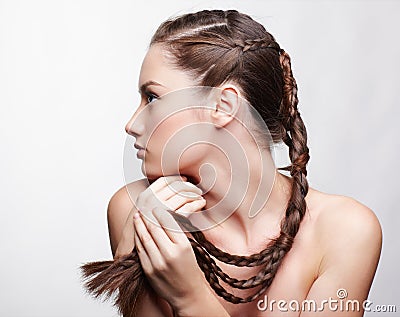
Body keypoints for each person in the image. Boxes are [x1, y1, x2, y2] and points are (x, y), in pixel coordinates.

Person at [81, 9, 382, 317]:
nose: (131, 124)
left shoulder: (344, 231)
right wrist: (143, 274)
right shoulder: (135, 211)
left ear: (224, 106)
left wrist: (190, 297)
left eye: (153, 98)